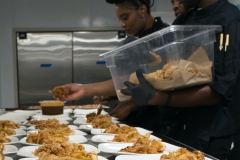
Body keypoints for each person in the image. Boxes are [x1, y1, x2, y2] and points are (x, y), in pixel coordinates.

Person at [118, 0, 240, 159]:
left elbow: (219, 90)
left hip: (208, 134)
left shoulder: (229, 19)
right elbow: (169, 69)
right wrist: (146, 54)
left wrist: (157, 97)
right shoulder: (186, 19)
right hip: (178, 128)